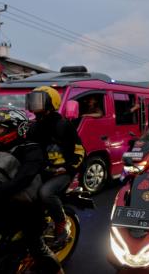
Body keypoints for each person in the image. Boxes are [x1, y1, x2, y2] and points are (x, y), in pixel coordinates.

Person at [0, 106, 62, 273]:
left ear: (16, 127)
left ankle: (55, 268)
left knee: (36, 246)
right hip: (2, 199)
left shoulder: (31, 148)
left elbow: (23, 178)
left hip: (27, 205)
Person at [26, 86, 85, 245]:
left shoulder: (63, 125)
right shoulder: (32, 126)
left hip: (61, 172)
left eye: (39, 100)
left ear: (51, 103)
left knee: (45, 193)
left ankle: (61, 226)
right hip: (41, 170)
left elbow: (79, 151)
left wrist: (67, 168)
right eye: (32, 99)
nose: (34, 104)